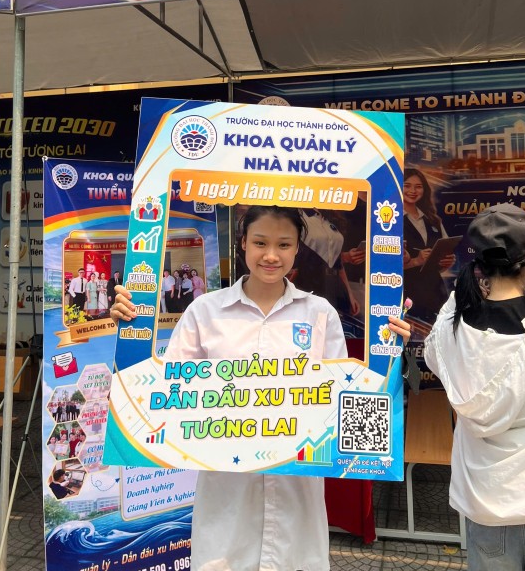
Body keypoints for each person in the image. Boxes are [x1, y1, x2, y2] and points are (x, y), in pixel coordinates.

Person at [112, 204, 411, 571]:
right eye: (260, 243)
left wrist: (389, 354)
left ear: (297, 248)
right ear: (243, 243)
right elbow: (164, 396)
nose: (271, 255)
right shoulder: (205, 312)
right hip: (226, 494)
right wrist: (130, 330)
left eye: (283, 244)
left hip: (297, 492)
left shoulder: (319, 314)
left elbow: (344, 403)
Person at [424, 203, 525, 570]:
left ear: (478, 266)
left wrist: (466, 289)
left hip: (484, 516)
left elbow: (437, 343)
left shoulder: (450, 335)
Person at [403, 168, 455, 323]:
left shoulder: (433, 220)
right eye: (407, 185)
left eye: (418, 187)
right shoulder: (390, 218)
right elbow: (381, 265)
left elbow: (440, 265)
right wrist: (416, 261)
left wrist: (445, 262)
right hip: (406, 295)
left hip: (434, 295)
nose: (413, 191)